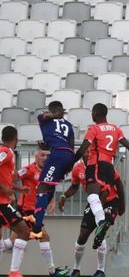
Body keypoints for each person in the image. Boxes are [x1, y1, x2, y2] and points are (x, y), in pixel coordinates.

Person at [72, 103, 129, 250]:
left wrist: (70, 162)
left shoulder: (93, 128)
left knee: (92, 195)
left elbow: (84, 147)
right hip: (109, 167)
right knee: (101, 195)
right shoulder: (116, 129)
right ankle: (101, 224)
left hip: (96, 164)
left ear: (95, 113)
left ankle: (101, 221)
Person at [59, 150, 125, 277]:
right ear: (82, 154)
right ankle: (76, 269)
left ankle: (100, 270)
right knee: (82, 235)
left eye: (91, 152)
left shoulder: (103, 166)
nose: (88, 154)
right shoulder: (78, 169)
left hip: (110, 201)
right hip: (93, 203)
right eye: (86, 152)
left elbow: (118, 185)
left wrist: (122, 205)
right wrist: (64, 195)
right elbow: (74, 186)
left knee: (101, 230)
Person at [14, 147, 69, 277]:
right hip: (28, 209)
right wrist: (16, 191)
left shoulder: (49, 171)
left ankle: (51, 272)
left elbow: (50, 186)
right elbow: (13, 177)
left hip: (35, 210)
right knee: (43, 237)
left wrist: (52, 201)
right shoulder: (28, 169)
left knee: (12, 241)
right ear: (36, 156)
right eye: (42, 155)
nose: (45, 158)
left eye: (47, 155)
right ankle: (52, 272)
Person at [30, 101, 76, 237]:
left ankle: (37, 225)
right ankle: (38, 217)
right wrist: (70, 165)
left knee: (42, 188)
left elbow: (44, 116)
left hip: (57, 154)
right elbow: (72, 146)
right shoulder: (68, 125)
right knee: (49, 187)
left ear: (50, 110)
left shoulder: (43, 118)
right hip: (68, 156)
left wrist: (54, 114)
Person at [0, 126, 33, 277]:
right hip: (1, 203)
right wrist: (3, 188)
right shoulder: (6, 152)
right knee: (24, 231)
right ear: (16, 138)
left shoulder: (7, 153)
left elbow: (6, 180)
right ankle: (14, 272)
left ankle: (14, 272)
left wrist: (19, 188)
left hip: (4, 200)